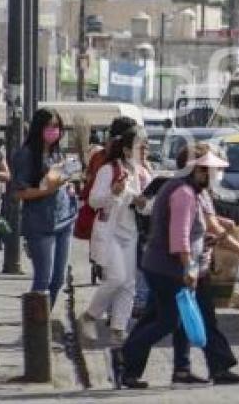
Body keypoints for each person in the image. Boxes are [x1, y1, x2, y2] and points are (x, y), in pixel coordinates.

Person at [112, 143, 239, 389]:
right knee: (169, 321)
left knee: (177, 318)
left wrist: (236, 247)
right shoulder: (183, 193)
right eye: (206, 171)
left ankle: (180, 369)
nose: (210, 177)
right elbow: (180, 236)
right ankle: (125, 355)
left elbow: (206, 224)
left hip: (171, 268)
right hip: (169, 269)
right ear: (193, 170)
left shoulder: (192, 192)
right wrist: (189, 268)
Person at [78, 127, 152, 345]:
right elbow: (94, 201)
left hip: (130, 233)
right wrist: (114, 193)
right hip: (109, 233)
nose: (145, 149)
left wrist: (141, 203)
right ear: (128, 149)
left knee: (128, 283)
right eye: (141, 145)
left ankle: (118, 328)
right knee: (117, 278)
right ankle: (90, 316)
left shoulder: (139, 171)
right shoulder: (108, 170)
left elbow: (145, 208)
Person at [11, 108, 77, 308]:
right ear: (39, 128)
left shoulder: (57, 152)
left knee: (58, 279)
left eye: (57, 127)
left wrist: (68, 185)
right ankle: (35, 330)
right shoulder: (26, 155)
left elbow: (59, 180)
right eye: (49, 126)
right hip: (40, 224)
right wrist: (46, 190)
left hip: (64, 219)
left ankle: (43, 322)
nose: (54, 131)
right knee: (43, 279)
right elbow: (19, 193)